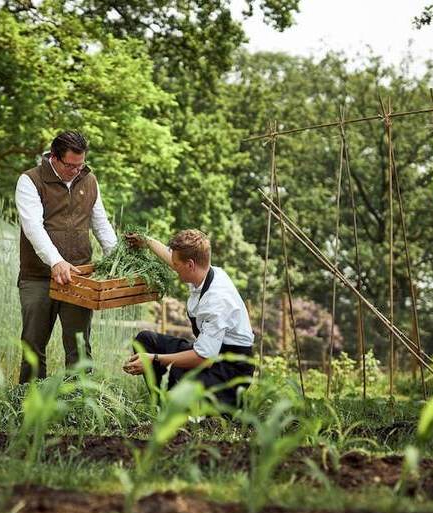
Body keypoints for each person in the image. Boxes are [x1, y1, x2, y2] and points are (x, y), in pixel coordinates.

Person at [15, 131, 117, 382]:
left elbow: (100, 223)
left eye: (80, 164)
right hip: (38, 277)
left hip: (80, 277)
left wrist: (116, 258)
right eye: (70, 165)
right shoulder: (30, 180)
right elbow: (33, 227)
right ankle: (29, 402)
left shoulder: (89, 180)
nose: (76, 170)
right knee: (33, 344)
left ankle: (79, 404)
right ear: (55, 158)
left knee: (79, 347)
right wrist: (56, 261)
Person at [122, 229, 255, 405]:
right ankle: (162, 406)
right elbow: (173, 258)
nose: (174, 267)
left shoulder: (217, 300)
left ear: (190, 265)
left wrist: (154, 358)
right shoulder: (203, 273)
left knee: (170, 370)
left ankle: (218, 408)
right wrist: (146, 241)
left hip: (228, 373)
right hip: (212, 355)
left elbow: (203, 359)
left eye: (177, 265)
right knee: (145, 340)